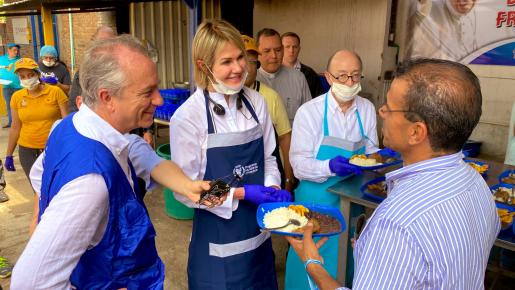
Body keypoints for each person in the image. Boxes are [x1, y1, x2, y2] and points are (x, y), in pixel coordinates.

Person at [9, 35, 209, 289]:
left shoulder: (67, 127)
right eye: (148, 92)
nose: (159, 100)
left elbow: (143, 156)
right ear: (107, 98)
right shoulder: (90, 184)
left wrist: (188, 186)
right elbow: (29, 283)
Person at [287, 58, 500, 289]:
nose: (381, 112)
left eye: (389, 107)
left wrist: (313, 264)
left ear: (416, 132)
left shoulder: (396, 223)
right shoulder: (477, 184)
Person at [170, 19, 292, 290]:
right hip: (216, 251)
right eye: (227, 62)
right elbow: (184, 191)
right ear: (204, 66)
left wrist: (271, 189)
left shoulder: (256, 103)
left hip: (258, 240)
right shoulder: (188, 118)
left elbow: (269, 157)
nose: (238, 68)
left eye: (240, 58)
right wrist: (242, 193)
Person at [285, 50, 378, 290]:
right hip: (317, 201)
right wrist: (330, 166)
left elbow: (373, 149)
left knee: (347, 258)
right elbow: (298, 165)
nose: (349, 83)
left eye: (355, 77)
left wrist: (372, 162)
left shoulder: (366, 108)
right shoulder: (310, 112)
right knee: (310, 257)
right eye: (342, 76)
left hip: (352, 200)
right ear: (328, 77)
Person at [242, 34, 295, 192]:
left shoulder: (269, 97)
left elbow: (285, 139)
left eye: (252, 62)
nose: (245, 67)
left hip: (268, 178)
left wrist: (288, 178)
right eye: (241, 60)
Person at [3, 58, 68, 180]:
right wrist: (9, 155)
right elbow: (15, 127)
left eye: (30, 75)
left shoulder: (55, 92)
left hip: (53, 147)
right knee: (37, 188)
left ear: (38, 74)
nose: (27, 79)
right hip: (27, 150)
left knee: (55, 186)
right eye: (22, 77)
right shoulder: (17, 97)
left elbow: (66, 122)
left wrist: (68, 146)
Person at [256, 28, 312, 124]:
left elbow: (310, 117)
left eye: (278, 50)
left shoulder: (298, 78)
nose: (274, 55)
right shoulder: (250, 80)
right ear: (257, 52)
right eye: (267, 51)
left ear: (282, 50)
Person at [69, 26, 117, 112]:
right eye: (101, 43)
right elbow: (73, 106)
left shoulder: (126, 70)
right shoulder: (83, 73)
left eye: (109, 43)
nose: (104, 47)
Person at [281, 32, 324, 98]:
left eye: (295, 47)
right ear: (280, 49)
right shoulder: (274, 72)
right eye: (287, 47)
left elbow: (319, 99)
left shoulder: (310, 73)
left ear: (299, 49)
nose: (291, 50)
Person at [0, 43, 22, 128]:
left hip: (19, 87)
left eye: (17, 50)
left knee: (20, 106)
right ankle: (11, 123)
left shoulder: (20, 60)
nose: (16, 52)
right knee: (9, 105)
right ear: (9, 50)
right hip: (6, 87)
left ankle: (20, 123)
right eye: (14, 50)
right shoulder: (1, 59)